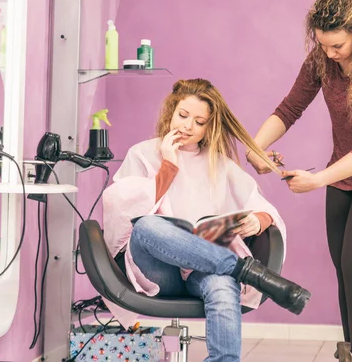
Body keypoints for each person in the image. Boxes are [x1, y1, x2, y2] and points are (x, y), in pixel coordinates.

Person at [246, 0, 352, 362]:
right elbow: (290, 108)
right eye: (322, 44)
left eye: (337, 45)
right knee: (343, 266)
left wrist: (318, 179)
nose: (329, 53)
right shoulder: (321, 60)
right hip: (344, 170)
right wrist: (256, 148)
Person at [102, 78, 311, 362]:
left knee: (223, 285)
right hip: (158, 272)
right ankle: (247, 271)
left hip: (202, 269)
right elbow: (121, 211)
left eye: (199, 122)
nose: (187, 126)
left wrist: (258, 220)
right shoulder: (142, 153)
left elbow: (260, 205)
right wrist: (169, 164)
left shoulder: (218, 163)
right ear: (171, 112)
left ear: (209, 127)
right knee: (148, 225)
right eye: (183, 116)